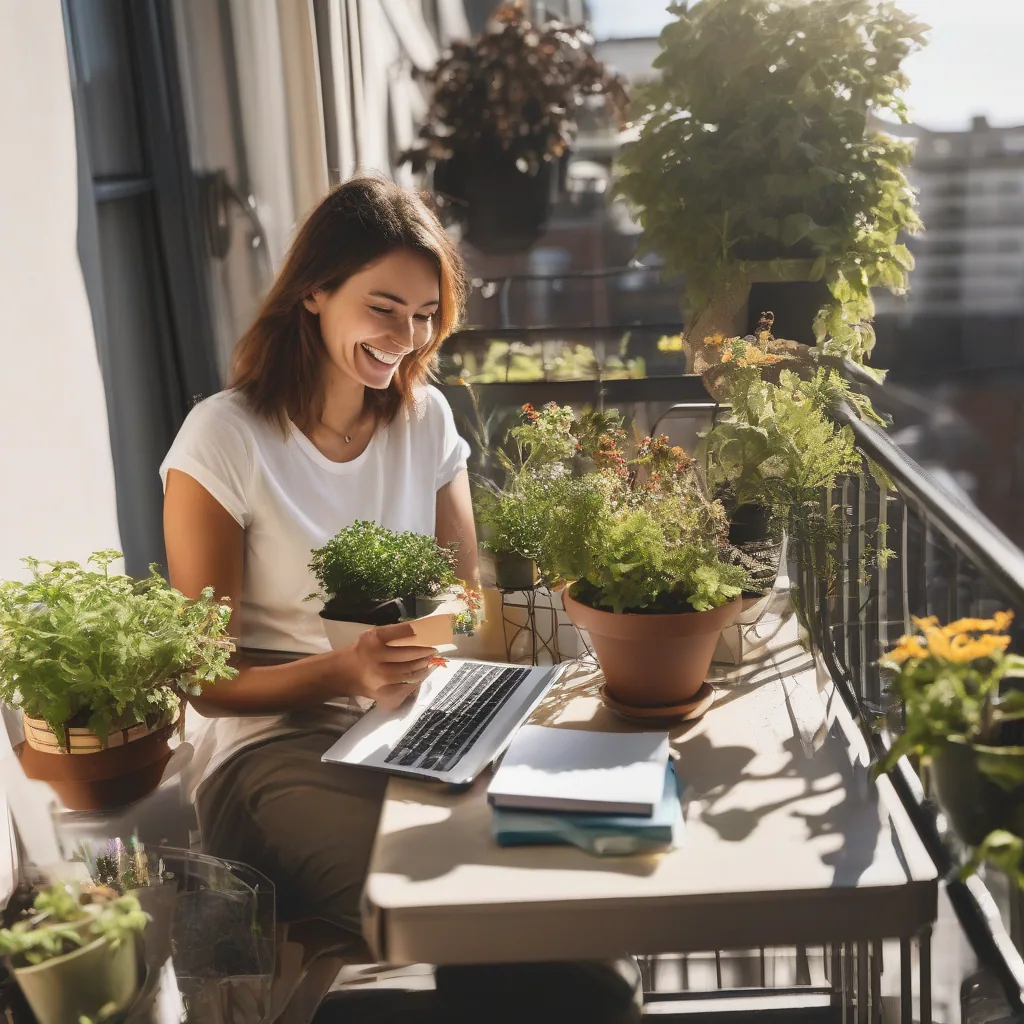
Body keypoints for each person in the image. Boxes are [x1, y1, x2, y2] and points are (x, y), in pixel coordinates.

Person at [161, 177, 640, 1022]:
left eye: (424, 315)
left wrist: (435, 661)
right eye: (384, 307)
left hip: (416, 720)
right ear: (314, 290)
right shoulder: (224, 437)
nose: (405, 337)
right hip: (273, 751)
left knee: (572, 895)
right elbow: (205, 678)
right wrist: (343, 668)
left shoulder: (423, 419)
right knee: (461, 910)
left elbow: (461, 589)